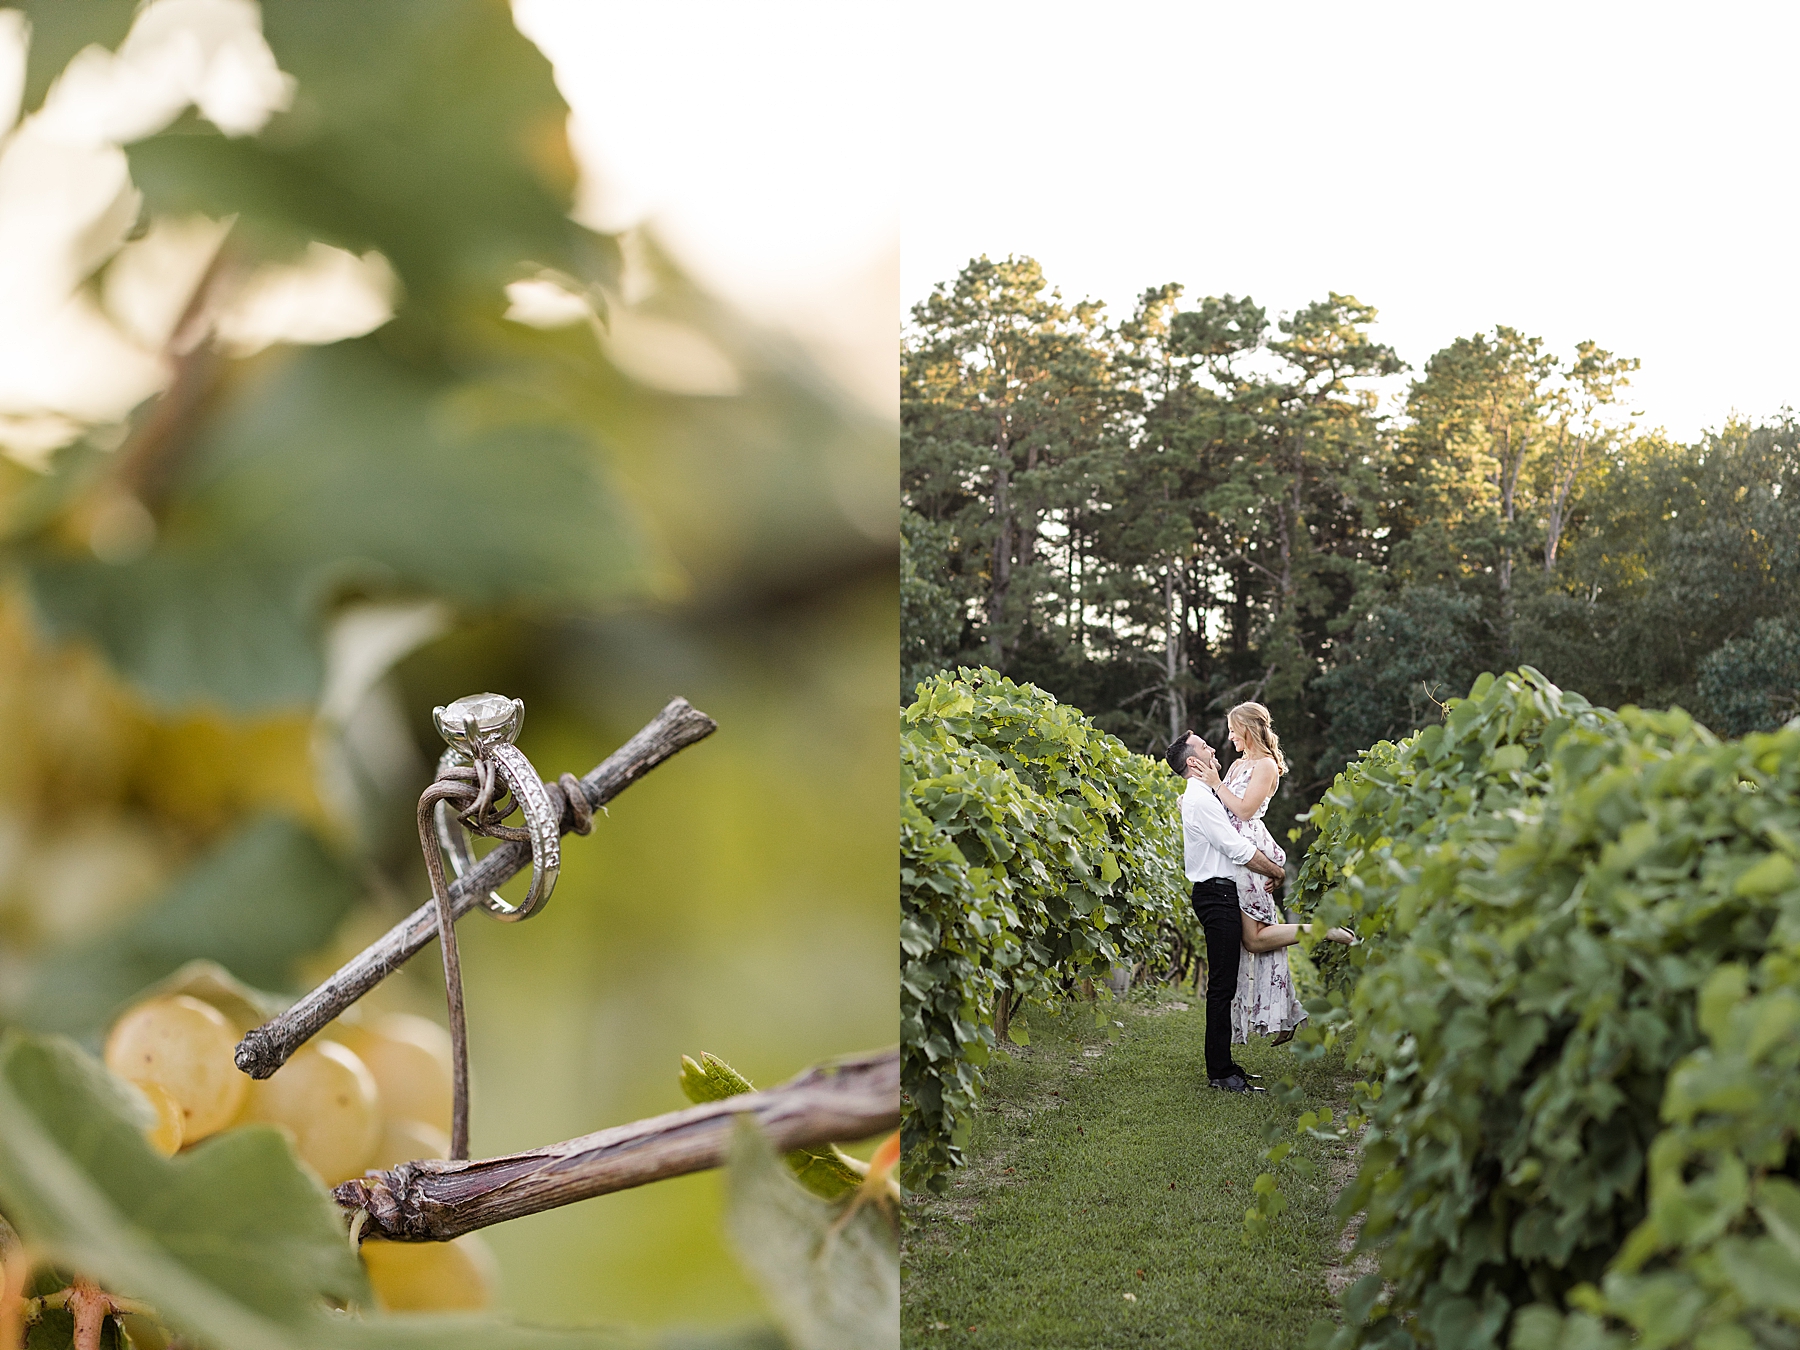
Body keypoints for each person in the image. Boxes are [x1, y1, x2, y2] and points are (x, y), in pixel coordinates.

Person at [1165, 729, 1355, 1094]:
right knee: (1221, 987)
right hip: (1216, 893)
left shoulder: (1202, 796)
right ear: (1193, 761)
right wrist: (1277, 871)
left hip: (1222, 893)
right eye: (1205, 747)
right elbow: (1236, 848)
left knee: (1231, 976)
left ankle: (1225, 1065)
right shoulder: (1201, 800)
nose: (1213, 748)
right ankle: (1220, 1073)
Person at [1212, 701, 1317, 1046]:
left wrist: (1215, 783)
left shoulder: (1266, 766)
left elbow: (1243, 809)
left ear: (1247, 728)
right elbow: (1224, 807)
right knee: (1254, 939)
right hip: (1233, 853)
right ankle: (1287, 1013)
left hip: (1249, 853)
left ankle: (1319, 931)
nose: (1229, 736)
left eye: (1232, 729)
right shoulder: (1240, 763)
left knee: (1256, 937)